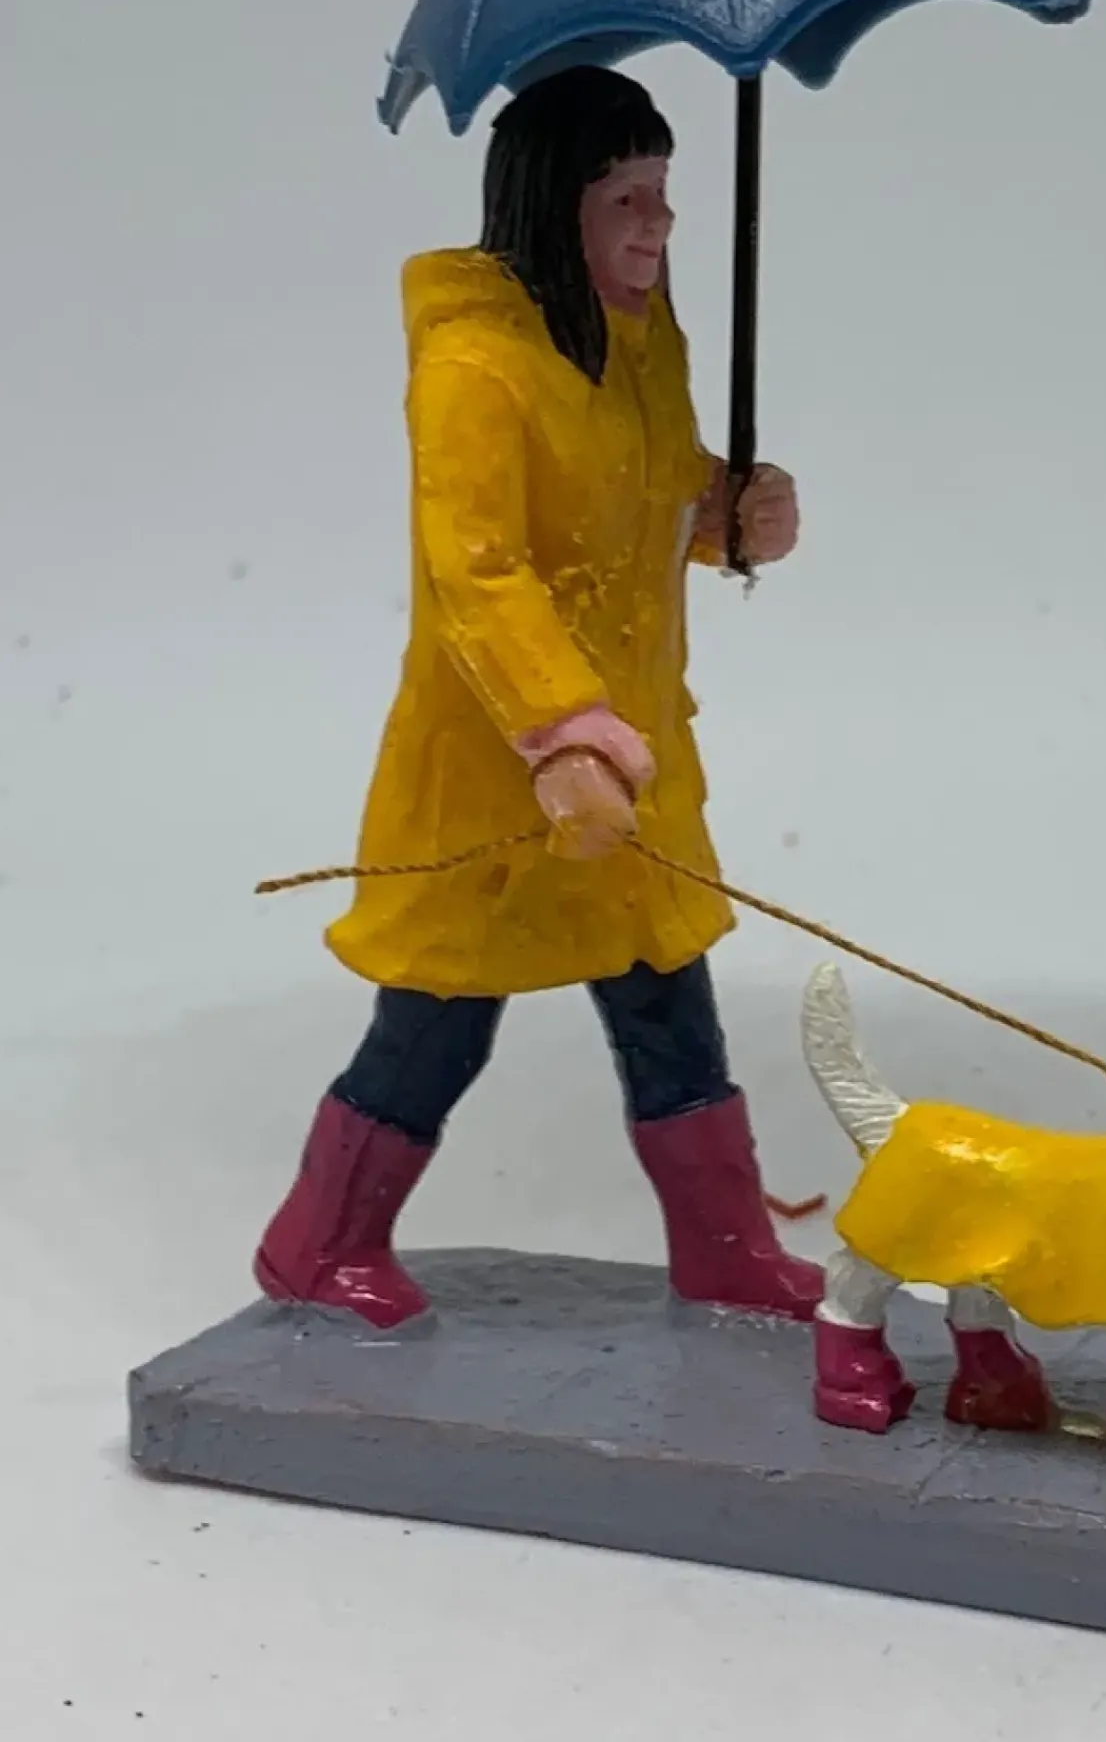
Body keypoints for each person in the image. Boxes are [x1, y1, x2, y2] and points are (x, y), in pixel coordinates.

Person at [253, 64, 823, 1329]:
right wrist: (561, 728)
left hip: (635, 763)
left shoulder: (643, 344)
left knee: (668, 997)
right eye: (628, 196)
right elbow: (479, 570)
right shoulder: (475, 366)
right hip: (498, 775)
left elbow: (647, 493)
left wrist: (731, 513)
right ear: (551, 204)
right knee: (441, 1018)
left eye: (665, 191)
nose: (660, 222)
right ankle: (317, 1242)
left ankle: (726, 1248)